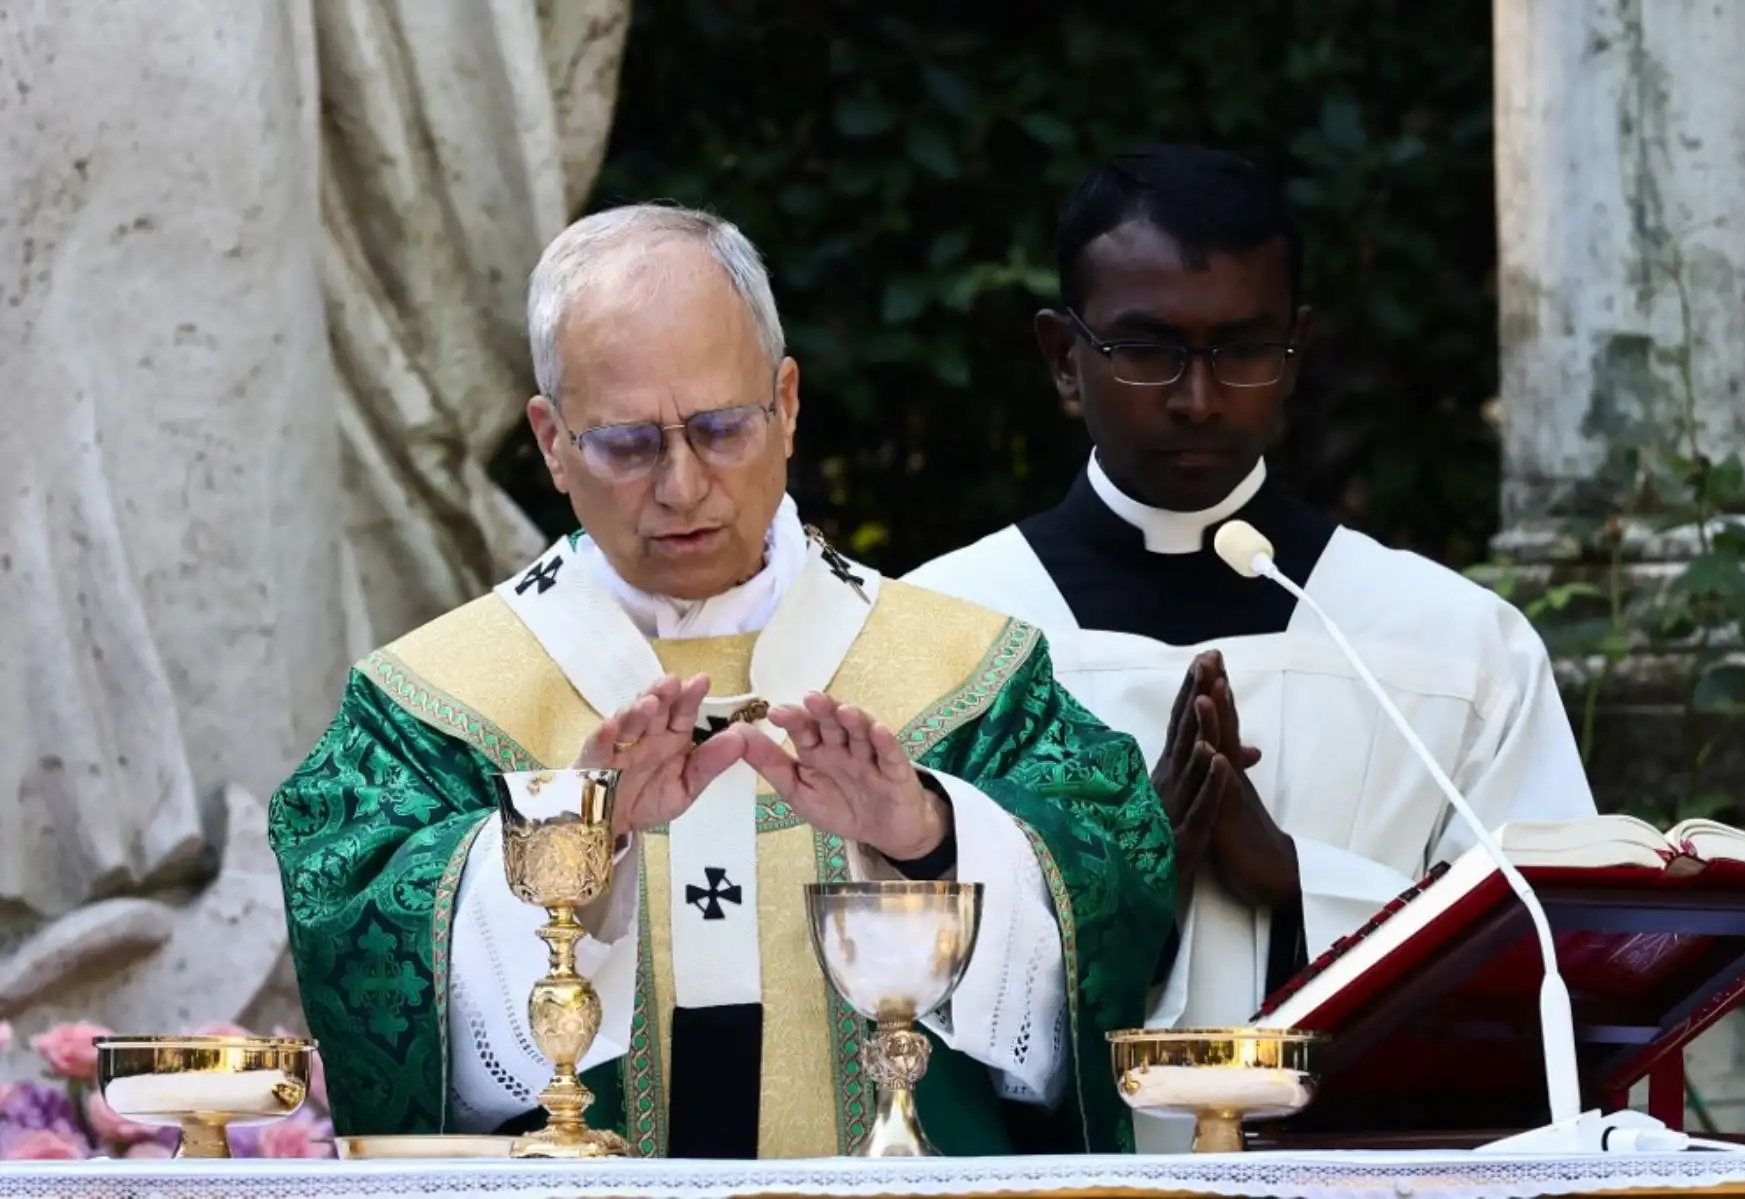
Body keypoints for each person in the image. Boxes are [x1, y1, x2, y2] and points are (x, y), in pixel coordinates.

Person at [268, 204, 1174, 1158]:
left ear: (786, 404)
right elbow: (365, 975)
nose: (682, 485)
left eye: (721, 428)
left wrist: (930, 839)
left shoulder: (967, 678)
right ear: (550, 441)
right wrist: (576, 848)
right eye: (626, 443)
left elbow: (1116, 912)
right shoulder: (427, 707)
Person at [906, 145, 1598, 1150]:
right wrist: (1130, 882)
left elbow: (1554, 968)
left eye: (1241, 349)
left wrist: (1295, 881)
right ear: (1064, 355)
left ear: (1298, 346)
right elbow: (876, 1002)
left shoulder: (1449, 643)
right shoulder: (945, 635)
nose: (1197, 397)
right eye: (1146, 350)